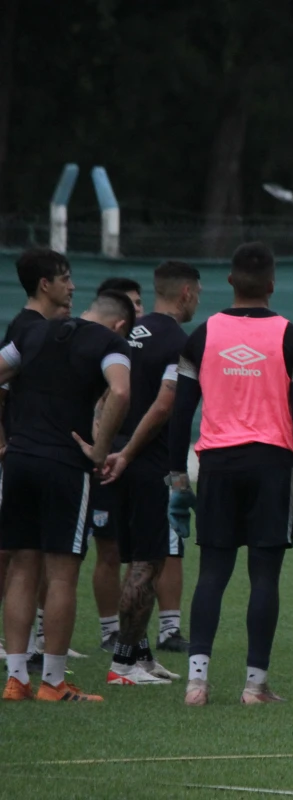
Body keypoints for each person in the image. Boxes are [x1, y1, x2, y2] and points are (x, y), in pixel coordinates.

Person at [167, 242, 293, 707]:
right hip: (271, 466)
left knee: (212, 572)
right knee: (264, 577)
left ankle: (197, 682)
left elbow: (180, 413)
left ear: (230, 281)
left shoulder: (202, 335)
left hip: (217, 464)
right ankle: (255, 686)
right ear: (272, 285)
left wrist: (177, 476)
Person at [0, 290, 135, 702]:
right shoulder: (111, 344)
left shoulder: (35, 333)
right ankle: (54, 682)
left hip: (19, 461)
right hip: (65, 465)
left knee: (22, 566)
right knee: (61, 574)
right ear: (120, 325)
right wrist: (100, 447)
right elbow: (122, 391)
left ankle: (16, 678)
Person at [98, 263, 202, 686]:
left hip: (116, 457)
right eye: (197, 291)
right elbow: (163, 406)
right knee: (148, 562)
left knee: (133, 559)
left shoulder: (126, 334)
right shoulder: (180, 340)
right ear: (185, 294)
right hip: (144, 462)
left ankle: (140, 656)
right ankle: (122, 665)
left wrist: (104, 446)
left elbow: (105, 393)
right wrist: (129, 453)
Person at [0, 248, 75, 661]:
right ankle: (38, 660)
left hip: (27, 455)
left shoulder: (41, 327)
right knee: (24, 559)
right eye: (65, 278)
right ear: (45, 285)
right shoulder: (26, 329)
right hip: (32, 454)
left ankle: (25, 654)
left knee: (30, 560)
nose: (72, 285)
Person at [89, 277, 145, 652]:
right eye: (132, 304)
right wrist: (99, 447)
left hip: (137, 455)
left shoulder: (145, 347)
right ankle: (110, 631)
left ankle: (135, 634)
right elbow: (102, 398)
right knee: (107, 548)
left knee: (142, 551)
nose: (139, 310)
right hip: (103, 456)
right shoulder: (95, 347)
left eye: (141, 303)